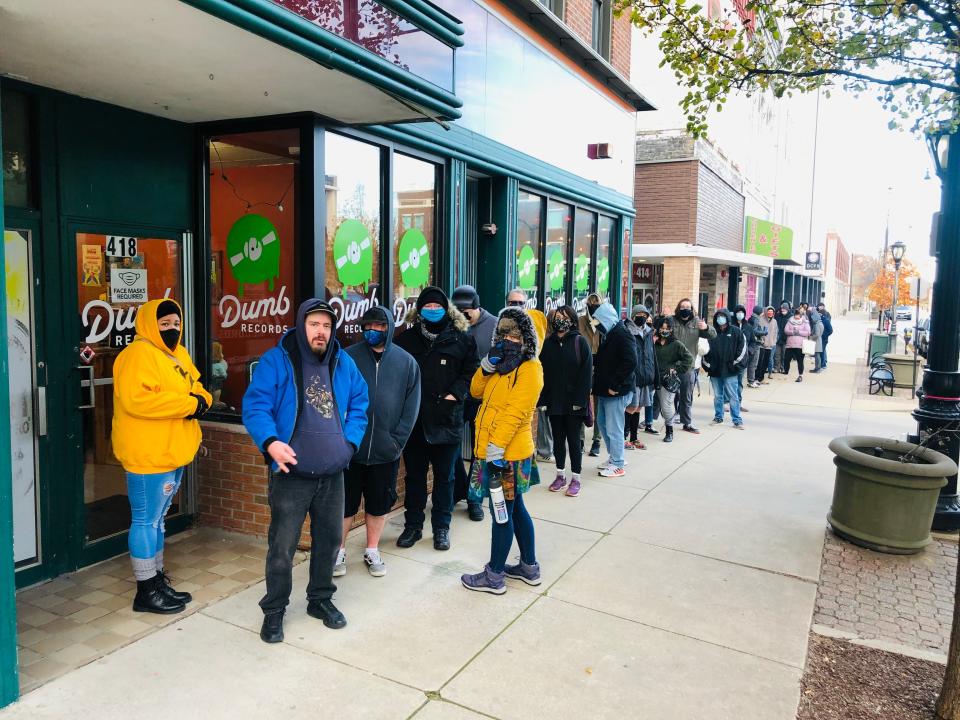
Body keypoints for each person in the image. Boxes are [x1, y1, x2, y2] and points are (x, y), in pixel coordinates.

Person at [243, 299, 369, 643]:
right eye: (314, 324)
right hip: (291, 475)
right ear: (301, 325)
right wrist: (270, 442)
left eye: (327, 326)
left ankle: (320, 600)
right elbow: (256, 406)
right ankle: (274, 610)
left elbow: (360, 402)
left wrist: (350, 444)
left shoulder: (343, 363)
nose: (321, 332)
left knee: (329, 542)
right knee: (282, 547)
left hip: (332, 474)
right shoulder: (277, 360)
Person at [112, 299, 212, 615]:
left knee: (157, 521)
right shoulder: (136, 355)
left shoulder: (177, 354)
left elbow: (197, 387)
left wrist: (202, 400)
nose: (172, 329)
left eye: (175, 323)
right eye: (164, 324)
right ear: (148, 324)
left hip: (173, 451)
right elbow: (138, 400)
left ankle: (156, 581)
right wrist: (189, 404)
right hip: (148, 455)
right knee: (145, 520)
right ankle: (145, 592)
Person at [461, 308, 544, 594]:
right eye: (505, 333)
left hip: (506, 454)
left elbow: (515, 413)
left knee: (501, 513)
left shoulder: (530, 369)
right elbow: (474, 392)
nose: (509, 339)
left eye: (516, 335)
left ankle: (494, 575)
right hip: (495, 450)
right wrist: (486, 367)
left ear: (527, 340)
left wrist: (495, 451)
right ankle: (529, 567)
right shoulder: (502, 365)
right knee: (516, 508)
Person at [337, 306, 420, 578]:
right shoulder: (347, 358)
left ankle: (372, 549)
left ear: (390, 327)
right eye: (369, 325)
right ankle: (338, 551)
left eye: (380, 326)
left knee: (378, 504)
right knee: (344, 505)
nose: (373, 330)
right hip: (350, 450)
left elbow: (411, 407)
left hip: (386, 451)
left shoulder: (406, 362)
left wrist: (397, 442)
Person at [394, 286, 479, 551]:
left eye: (437, 307)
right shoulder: (405, 340)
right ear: (419, 311)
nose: (432, 311)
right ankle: (413, 526)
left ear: (447, 309)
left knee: (445, 478)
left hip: (446, 420)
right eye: (427, 307)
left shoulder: (461, 338)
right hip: (416, 423)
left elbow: (472, 372)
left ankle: (441, 528)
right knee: (415, 477)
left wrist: (456, 394)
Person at [451, 284, 498, 522]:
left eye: (467, 312)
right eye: (459, 312)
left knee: (480, 452)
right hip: (459, 396)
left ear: (477, 307)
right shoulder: (453, 322)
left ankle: (475, 498)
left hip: (484, 399)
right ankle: (459, 490)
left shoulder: (495, 325)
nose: (463, 317)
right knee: (451, 447)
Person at [538, 305, 592, 497]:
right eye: (557, 317)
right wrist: (543, 399)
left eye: (564, 316)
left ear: (571, 319)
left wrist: (580, 401)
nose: (560, 320)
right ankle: (560, 475)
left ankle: (576, 479)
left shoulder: (580, 342)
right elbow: (542, 373)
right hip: (554, 402)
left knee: (574, 441)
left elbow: (586, 376)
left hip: (574, 402)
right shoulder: (548, 344)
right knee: (558, 441)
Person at [591, 302, 639, 478]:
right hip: (605, 390)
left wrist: (615, 385)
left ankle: (618, 463)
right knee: (604, 424)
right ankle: (614, 457)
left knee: (614, 427)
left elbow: (631, 361)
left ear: (606, 318)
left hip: (615, 391)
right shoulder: (611, 333)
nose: (596, 324)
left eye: (598, 320)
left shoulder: (622, 334)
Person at [670, 298, 716, 434]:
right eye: (682, 306)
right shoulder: (672, 321)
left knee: (686, 396)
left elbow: (713, 335)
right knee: (661, 394)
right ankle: (650, 421)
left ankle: (686, 423)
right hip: (670, 364)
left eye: (688, 307)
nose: (685, 309)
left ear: (692, 309)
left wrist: (706, 328)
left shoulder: (697, 322)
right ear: (678, 308)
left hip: (687, 365)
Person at [652, 316, 694, 442]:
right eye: (662, 328)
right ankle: (649, 424)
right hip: (653, 378)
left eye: (667, 328)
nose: (664, 330)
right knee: (654, 404)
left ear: (671, 330)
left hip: (667, 380)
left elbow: (689, 359)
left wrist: (677, 369)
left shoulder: (676, 344)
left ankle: (669, 431)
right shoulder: (654, 342)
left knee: (666, 406)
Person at [702, 308, 746, 428]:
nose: (720, 319)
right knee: (718, 396)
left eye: (722, 316)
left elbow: (742, 349)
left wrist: (735, 364)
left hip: (730, 371)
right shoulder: (712, 332)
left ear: (727, 317)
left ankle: (737, 420)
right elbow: (704, 350)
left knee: (733, 396)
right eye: (718, 316)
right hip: (715, 371)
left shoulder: (736, 332)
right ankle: (718, 417)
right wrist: (708, 366)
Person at [624, 305, 655, 446]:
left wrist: (653, 375)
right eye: (639, 314)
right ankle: (623, 437)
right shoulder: (627, 331)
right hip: (633, 376)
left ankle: (634, 437)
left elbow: (651, 354)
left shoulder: (649, 332)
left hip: (645, 376)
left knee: (639, 407)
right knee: (631, 406)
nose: (642, 316)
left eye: (645, 314)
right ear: (633, 315)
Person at [577, 292, 604, 456]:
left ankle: (597, 440)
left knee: (599, 406)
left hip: (600, 367)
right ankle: (579, 439)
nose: (593, 305)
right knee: (582, 403)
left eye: (596, 303)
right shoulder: (580, 321)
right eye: (591, 303)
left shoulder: (604, 322)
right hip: (583, 366)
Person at [731, 304, 755, 405]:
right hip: (731, 359)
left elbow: (753, 342)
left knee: (739, 382)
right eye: (738, 312)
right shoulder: (730, 326)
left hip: (743, 360)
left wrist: (749, 351)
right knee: (731, 382)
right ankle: (729, 401)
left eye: (742, 312)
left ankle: (738, 403)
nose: (740, 314)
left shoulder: (748, 327)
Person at [783, 307, 812, 382]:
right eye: (796, 315)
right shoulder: (790, 321)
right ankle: (786, 374)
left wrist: (799, 332)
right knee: (786, 360)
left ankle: (800, 375)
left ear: (801, 315)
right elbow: (786, 330)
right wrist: (792, 332)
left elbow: (808, 332)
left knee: (800, 361)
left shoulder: (805, 322)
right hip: (790, 345)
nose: (796, 316)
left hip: (800, 346)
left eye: (798, 315)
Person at [755, 306, 779, 385]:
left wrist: (774, 342)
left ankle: (761, 378)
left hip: (770, 345)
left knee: (765, 363)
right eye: (769, 312)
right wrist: (761, 340)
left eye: (772, 312)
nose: (770, 313)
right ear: (766, 312)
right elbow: (757, 331)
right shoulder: (760, 320)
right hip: (762, 345)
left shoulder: (774, 321)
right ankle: (756, 378)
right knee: (759, 363)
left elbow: (776, 332)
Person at [745, 306, 765, 388]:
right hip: (755, 344)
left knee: (752, 363)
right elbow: (754, 331)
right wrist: (763, 332)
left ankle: (751, 380)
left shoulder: (751, 318)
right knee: (753, 363)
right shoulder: (755, 320)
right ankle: (751, 381)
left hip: (753, 343)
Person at [774, 301, 792, 373]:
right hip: (778, 338)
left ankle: (784, 367)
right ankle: (776, 368)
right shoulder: (778, 316)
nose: (782, 310)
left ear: (787, 309)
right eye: (782, 309)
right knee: (777, 355)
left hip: (786, 339)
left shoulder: (791, 317)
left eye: (784, 309)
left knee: (784, 355)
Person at [808, 306, 825, 374]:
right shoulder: (820, 323)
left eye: (812, 318)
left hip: (817, 342)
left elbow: (817, 334)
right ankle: (817, 368)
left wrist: (811, 337)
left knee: (817, 356)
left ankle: (817, 369)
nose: (812, 319)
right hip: (818, 341)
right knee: (817, 356)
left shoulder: (817, 324)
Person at [817, 302, 833, 368]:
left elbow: (830, 330)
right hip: (819, 338)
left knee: (822, 351)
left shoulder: (826, 319)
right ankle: (821, 364)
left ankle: (823, 364)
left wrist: (824, 335)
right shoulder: (818, 319)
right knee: (820, 351)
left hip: (823, 338)